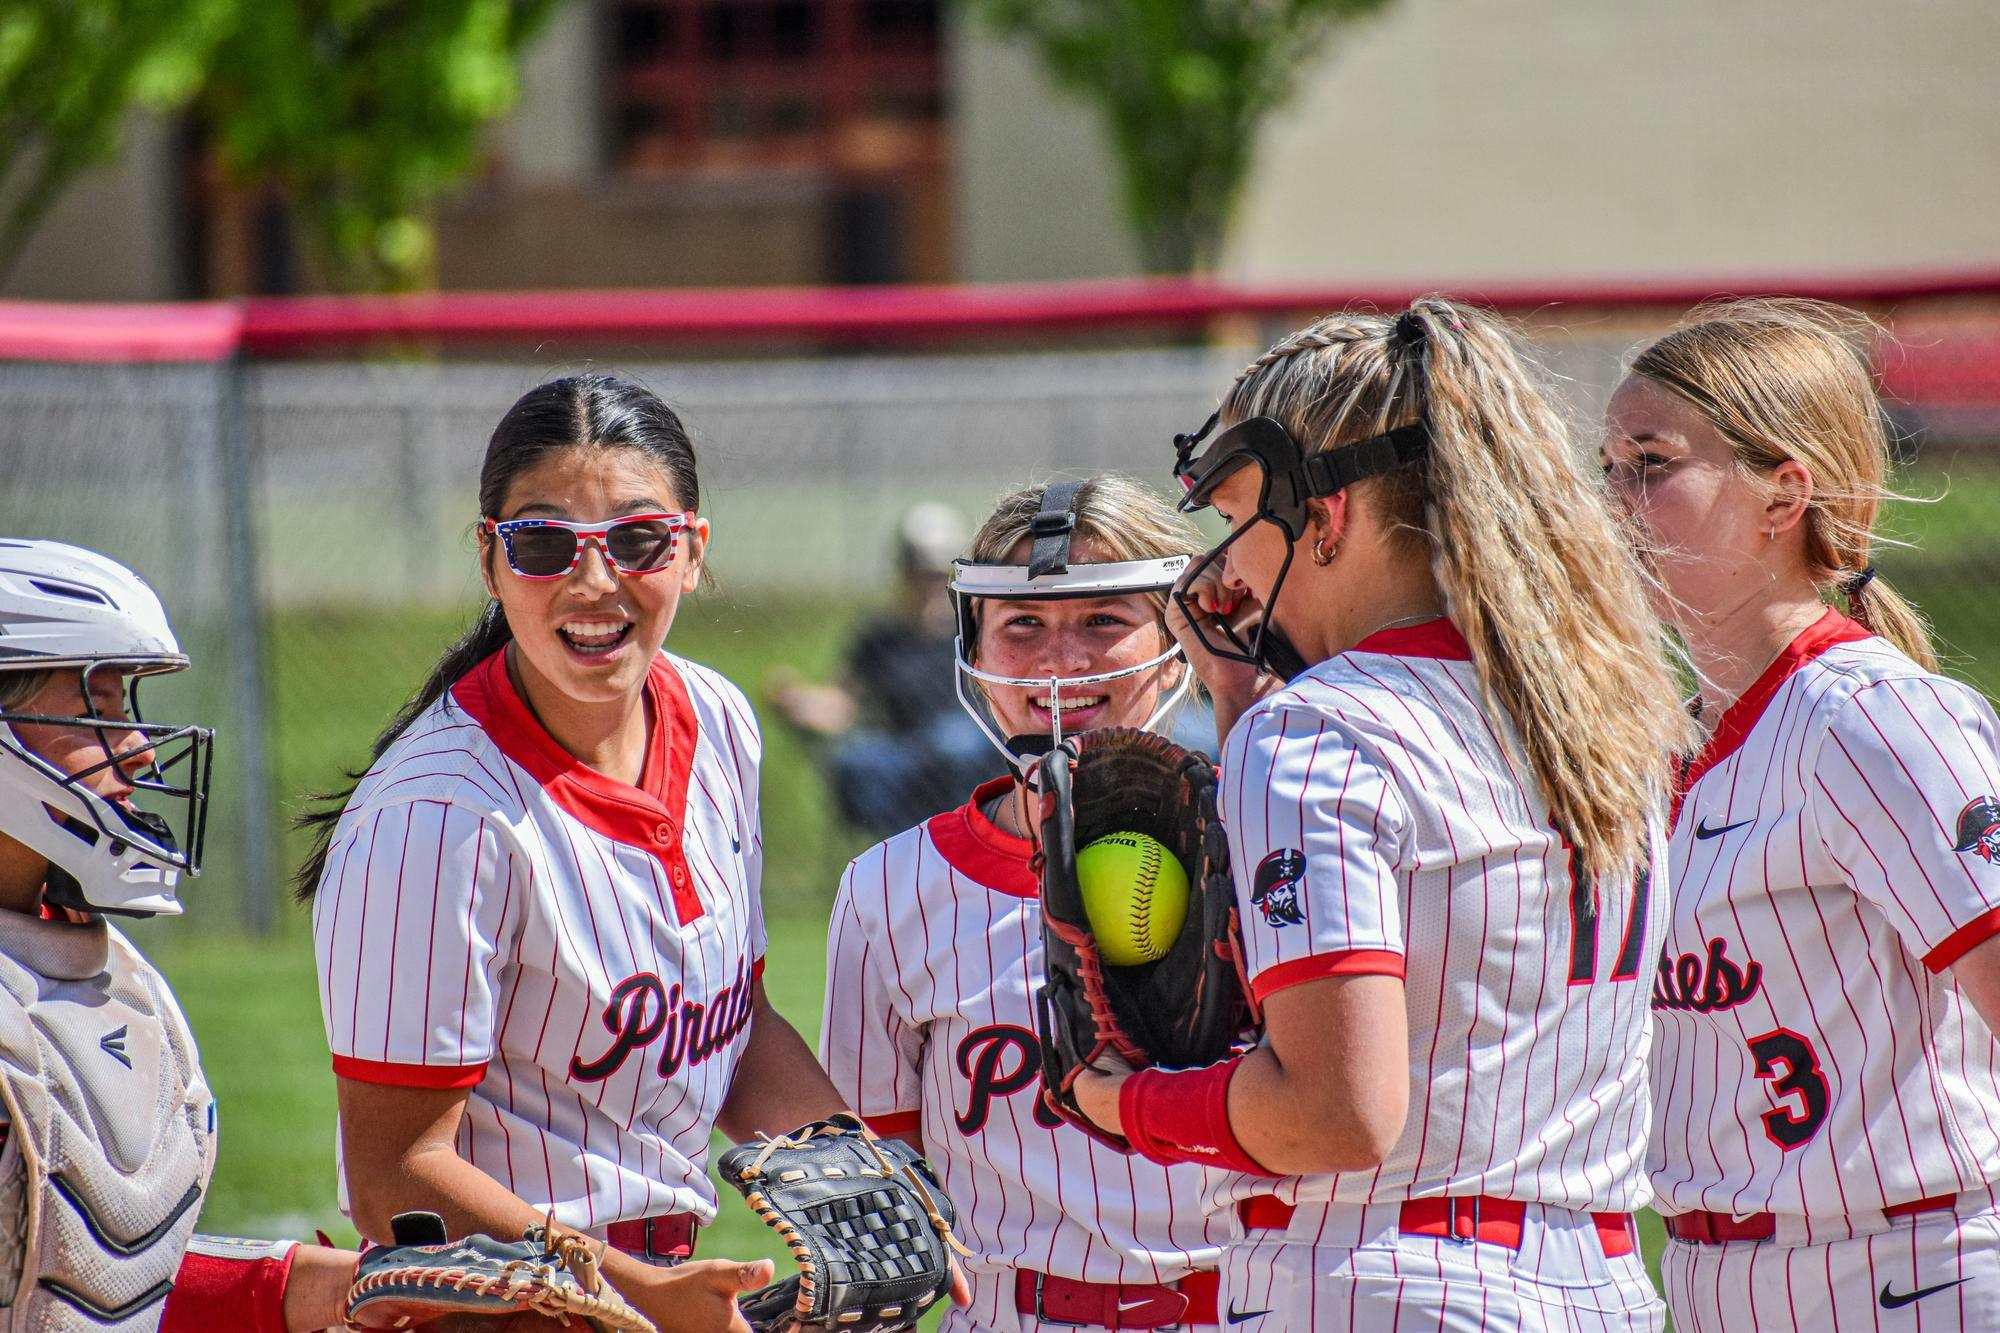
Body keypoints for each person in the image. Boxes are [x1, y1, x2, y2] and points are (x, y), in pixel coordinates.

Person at [1066, 299, 1693, 1329]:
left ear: (1324, 516)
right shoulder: (1602, 705)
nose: (1220, 568)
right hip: (1597, 1283)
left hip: (1390, 1280)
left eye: (1234, 518)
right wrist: (1241, 709)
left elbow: (1335, 1112)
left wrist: (1114, 1101)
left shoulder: (1320, 729)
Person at [301, 373, 888, 1333]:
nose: (594, 580)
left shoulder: (720, 720)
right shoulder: (437, 816)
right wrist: (623, 1286)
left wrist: (858, 1188)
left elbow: (733, 1026)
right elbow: (395, 1178)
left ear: (692, 551)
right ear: (491, 562)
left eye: (638, 538)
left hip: (656, 1283)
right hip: (499, 1307)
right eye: (542, 542)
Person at [1602, 299, 2000, 1330]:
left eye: (1648, 465)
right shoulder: (1659, 743)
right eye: (1606, 469)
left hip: (1907, 1263)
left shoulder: (1875, 719)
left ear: (1781, 495)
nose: (1614, 501)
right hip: (1705, 1277)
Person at [0, 538, 479, 1332]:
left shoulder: (104, 972)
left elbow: (88, 1278)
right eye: (102, 707)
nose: (143, 750)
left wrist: (338, 1286)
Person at [819, 476, 1239, 1331]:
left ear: (1177, 635)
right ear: (974, 644)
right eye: (1024, 626)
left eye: (1103, 620)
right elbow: (882, 1185)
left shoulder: (1269, 845)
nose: (1060, 662)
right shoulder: (890, 888)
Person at [767, 501, 998, 837]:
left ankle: (956, 837)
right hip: (902, 753)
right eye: (918, 571)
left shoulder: (972, 632)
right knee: (856, 761)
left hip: (963, 753)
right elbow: (842, 702)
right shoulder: (880, 639)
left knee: (953, 743)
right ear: (903, 572)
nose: (928, 583)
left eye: (937, 573)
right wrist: (799, 701)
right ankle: (903, 848)